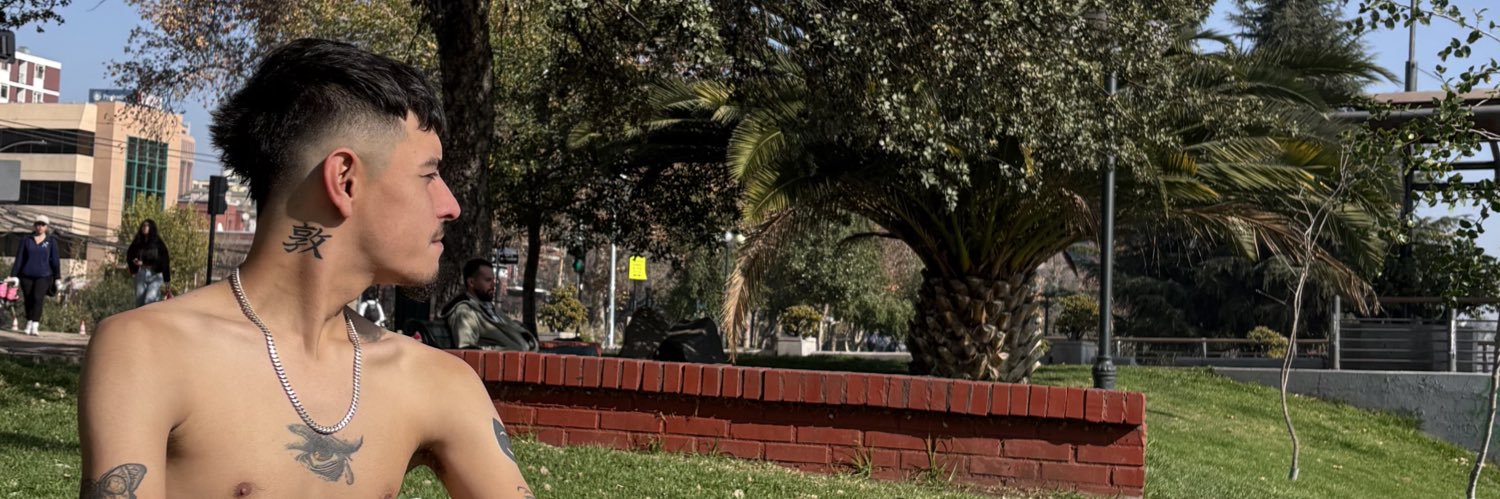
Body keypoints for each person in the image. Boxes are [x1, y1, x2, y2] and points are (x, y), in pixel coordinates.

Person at [79, 39, 532, 498]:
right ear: (345, 180)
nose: (451, 205)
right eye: (428, 175)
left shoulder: (436, 381)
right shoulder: (150, 350)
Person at [443, 258, 537, 351]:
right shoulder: (465, 311)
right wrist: (506, 351)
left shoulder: (489, 308)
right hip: (501, 359)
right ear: (471, 282)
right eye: (488, 280)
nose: (493, 285)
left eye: (493, 280)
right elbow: (467, 350)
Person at [8, 215, 60, 336]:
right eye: (38, 224)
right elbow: (19, 258)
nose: (40, 227)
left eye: (43, 224)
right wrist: (13, 275)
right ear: (34, 225)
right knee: (29, 299)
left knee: (38, 298)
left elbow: (55, 261)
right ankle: (29, 321)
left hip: (44, 275)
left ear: (46, 227)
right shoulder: (26, 240)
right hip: (27, 275)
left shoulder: (51, 241)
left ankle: (35, 324)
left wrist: (57, 277)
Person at [126, 219, 173, 307]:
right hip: (141, 274)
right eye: (143, 225)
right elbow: (130, 254)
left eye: (147, 225)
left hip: (155, 275)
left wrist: (167, 282)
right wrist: (133, 265)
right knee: (139, 303)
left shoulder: (158, 243)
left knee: (149, 300)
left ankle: (153, 309)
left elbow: (165, 261)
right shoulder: (138, 241)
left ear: (151, 228)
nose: (144, 227)